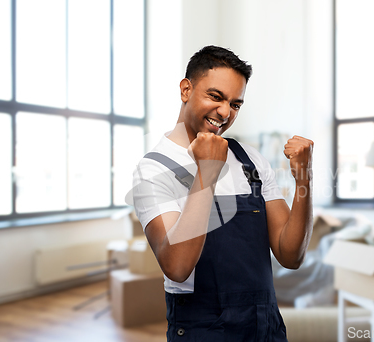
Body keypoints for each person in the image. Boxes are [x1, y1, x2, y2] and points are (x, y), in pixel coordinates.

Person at [132, 45, 313, 341]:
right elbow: (176, 266)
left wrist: (304, 177)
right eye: (215, 97)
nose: (225, 112)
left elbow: (291, 255)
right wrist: (207, 171)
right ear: (186, 89)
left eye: (236, 104)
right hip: (203, 329)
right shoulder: (153, 169)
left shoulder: (250, 159)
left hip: (264, 326)